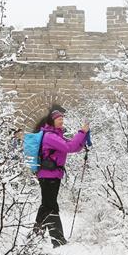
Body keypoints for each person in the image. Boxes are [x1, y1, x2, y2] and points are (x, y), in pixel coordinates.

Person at [32, 106, 90, 247]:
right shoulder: (50, 136)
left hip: (51, 175)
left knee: (47, 204)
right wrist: (82, 132)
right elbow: (68, 147)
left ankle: (36, 234)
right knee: (51, 206)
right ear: (52, 121)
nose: (61, 120)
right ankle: (57, 240)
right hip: (48, 176)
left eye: (62, 118)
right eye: (59, 119)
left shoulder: (55, 135)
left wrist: (82, 139)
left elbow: (72, 146)